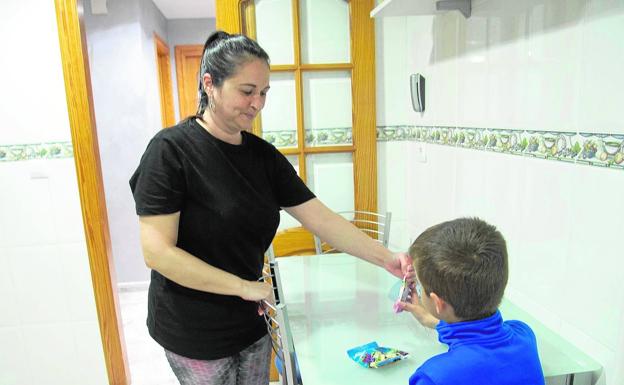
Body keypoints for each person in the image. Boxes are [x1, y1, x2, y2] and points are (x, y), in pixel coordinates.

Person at [129, 30, 412, 385]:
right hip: (193, 327)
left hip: (250, 319)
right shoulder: (170, 151)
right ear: (210, 83)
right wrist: (245, 287)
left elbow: (320, 218)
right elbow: (157, 252)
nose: (258, 103)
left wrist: (386, 258)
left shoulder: (262, 157)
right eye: (247, 91)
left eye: (263, 93)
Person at [399, 217, 545, 385]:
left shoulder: (433, 377)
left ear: (438, 303)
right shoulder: (524, 336)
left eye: (419, 285)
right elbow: (480, 336)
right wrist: (431, 320)